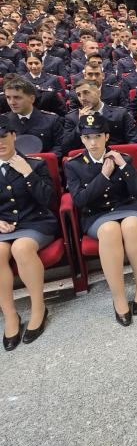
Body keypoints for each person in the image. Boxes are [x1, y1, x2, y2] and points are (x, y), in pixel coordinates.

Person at [64, 112, 137, 326]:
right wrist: (103, 176)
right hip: (98, 214)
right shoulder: (73, 164)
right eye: (87, 138)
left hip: (129, 207)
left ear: (106, 137)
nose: (92, 143)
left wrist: (123, 166)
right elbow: (80, 200)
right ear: (82, 139)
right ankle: (118, 297)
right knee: (110, 231)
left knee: (131, 227)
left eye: (97, 137)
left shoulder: (123, 157)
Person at [0, 114, 60, 350]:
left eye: (4, 136)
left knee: (21, 247)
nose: (0, 142)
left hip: (36, 222)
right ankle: (10, 315)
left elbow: (49, 199)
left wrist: (28, 173)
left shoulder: (35, 163)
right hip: (5, 227)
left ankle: (38, 308)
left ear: (14, 136)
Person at [62, 80, 137, 154]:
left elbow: (134, 141)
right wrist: (81, 123)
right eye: (79, 95)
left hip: (117, 158)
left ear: (98, 93)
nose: (82, 98)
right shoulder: (72, 118)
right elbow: (65, 148)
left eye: (86, 92)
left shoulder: (120, 114)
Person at [3, 77, 64, 157]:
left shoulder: (52, 120)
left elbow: (60, 147)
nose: (12, 102)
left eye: (17, 97)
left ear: (31, 99)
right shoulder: (3, 121)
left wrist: (40, 161)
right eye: (8, 97)